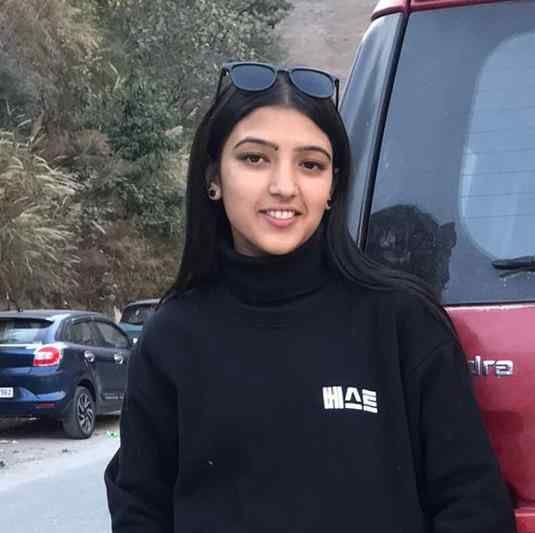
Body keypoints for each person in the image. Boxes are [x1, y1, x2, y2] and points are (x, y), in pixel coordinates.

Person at [104, 62, 516, 533]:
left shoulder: (403, 324)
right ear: (213, 176)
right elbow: (140, 510)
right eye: (255, 158)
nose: (284, 186)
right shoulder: (170, 339)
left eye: (311, 164)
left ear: (333, 186)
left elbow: (473, 506)